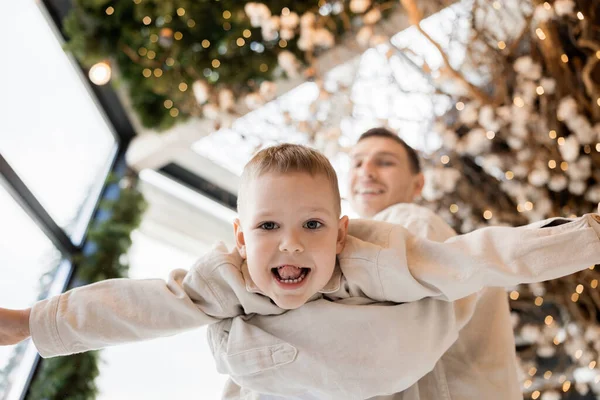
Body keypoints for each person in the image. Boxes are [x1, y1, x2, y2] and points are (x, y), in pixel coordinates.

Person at [1, 143, 599, 399]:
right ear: (238, 237)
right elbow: (142, 304)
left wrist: (588, 235)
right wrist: (34, 321)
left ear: (340, 231)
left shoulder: (374, 256)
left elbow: (481, 257)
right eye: (267, 228)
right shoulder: (227, 277)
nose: (290, 246)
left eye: (312, 227)